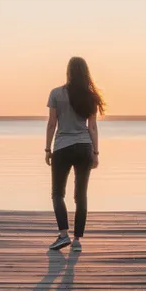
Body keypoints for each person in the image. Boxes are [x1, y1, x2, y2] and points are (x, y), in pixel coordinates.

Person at [45, 56, 104, 251]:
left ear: (68, 71)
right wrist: (96, 152)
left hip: (62, 147)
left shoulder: (56, 93)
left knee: (57, 193)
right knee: (81, 195)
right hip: (84, 147)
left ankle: (63, 235)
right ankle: (77, 240)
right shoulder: (90, 97)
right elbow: (92, 127)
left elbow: (52, 124)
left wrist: (47, 149)